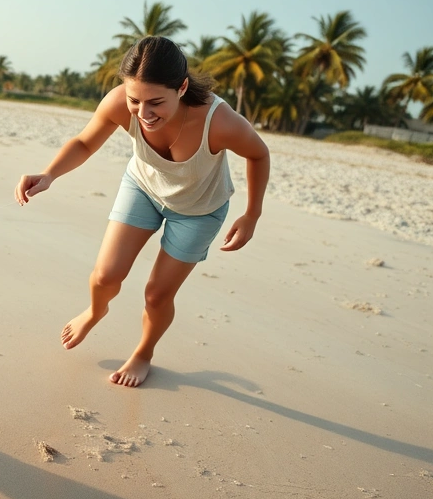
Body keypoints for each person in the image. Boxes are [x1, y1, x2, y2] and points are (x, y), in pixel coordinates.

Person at [14, 36, 270, 388]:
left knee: (157, 294)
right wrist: (49, 173)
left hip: (199, 210)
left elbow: (259, 154)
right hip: (144, 189)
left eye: (156, 103)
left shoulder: (219, 121)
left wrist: (251, 214)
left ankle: (144, 353)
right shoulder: (121, 102)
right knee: (105, 276)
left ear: (181, 88)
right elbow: (86, 141)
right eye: (135, 100)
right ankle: (94, 311)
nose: (144, 114)